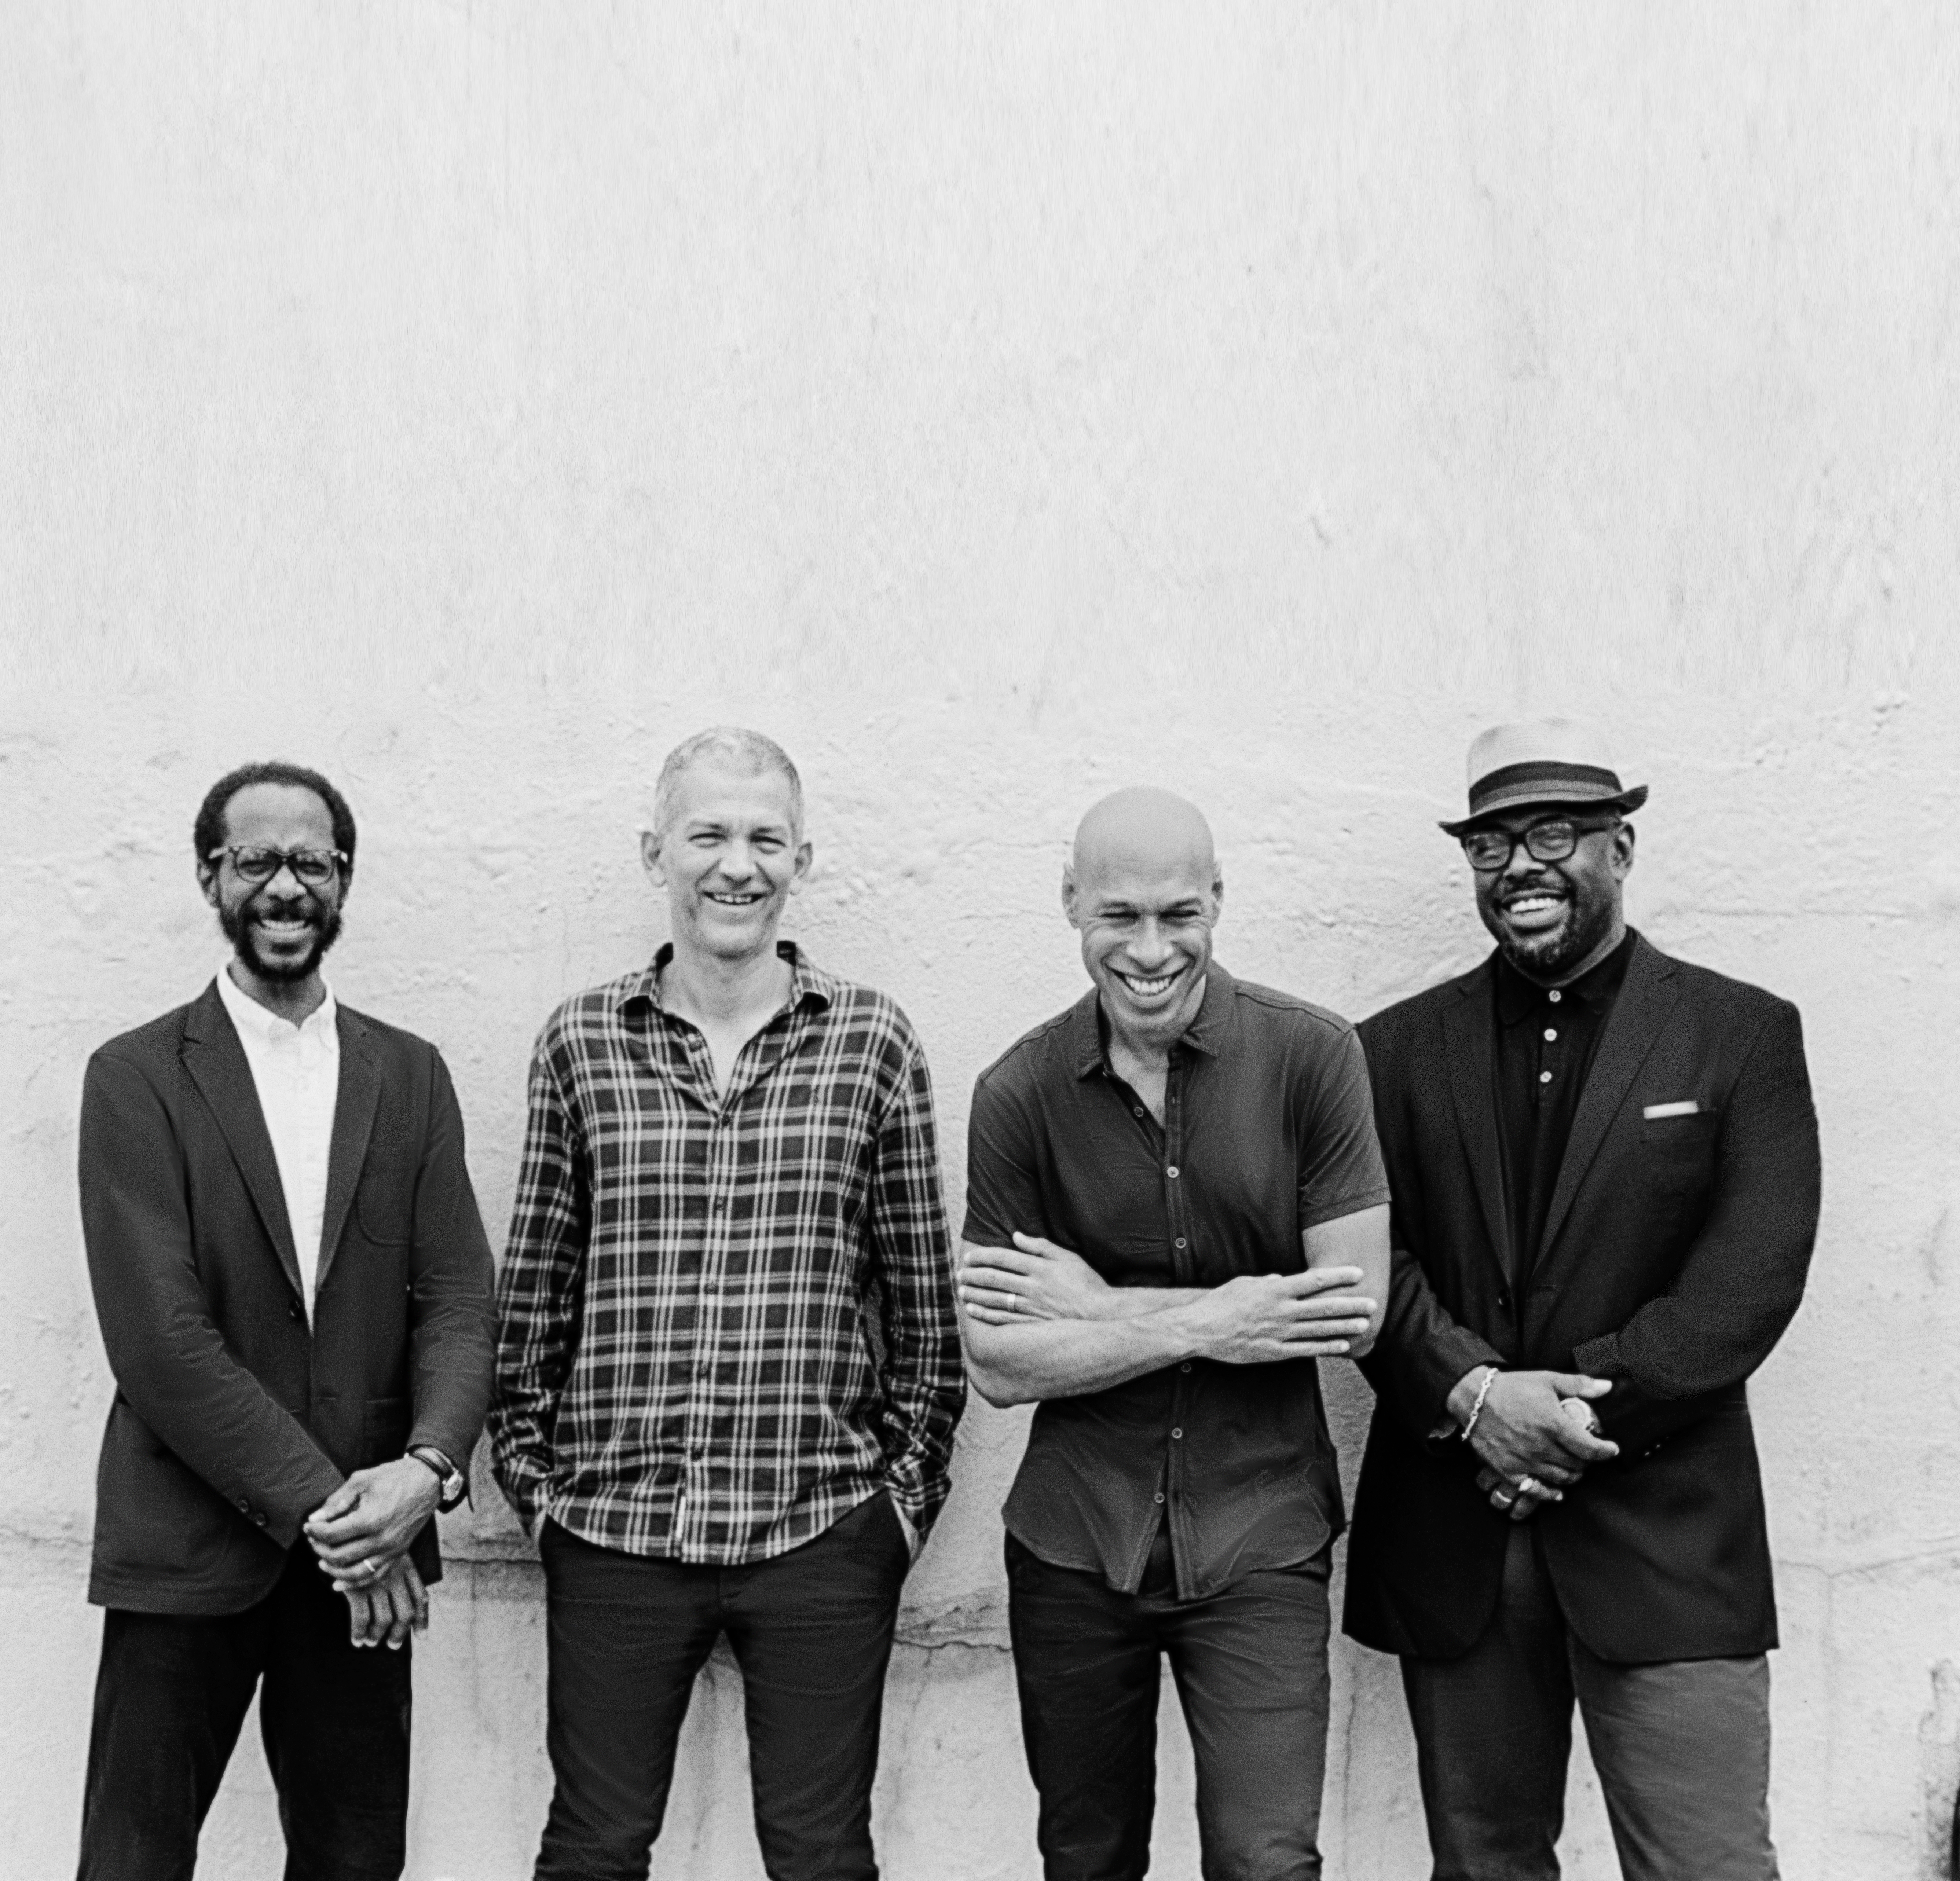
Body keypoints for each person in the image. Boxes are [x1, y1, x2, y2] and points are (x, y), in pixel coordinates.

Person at [1345, 717, 1822, 1881]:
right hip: (1458, 1541)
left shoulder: (1741, 1033)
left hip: (1667, 1541)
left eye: (1554, 833)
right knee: (1483, 1869)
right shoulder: (1384, 1052)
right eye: (1491, 843)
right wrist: (1474, 1398)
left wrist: (1554, 1418)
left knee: (1709, 1866)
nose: (1520, 865)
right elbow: (1361, 1261)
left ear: (1620, 845)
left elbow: (1747, 1278)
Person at [491, 726, 964, 1881]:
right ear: (655, 850)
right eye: (708, 834)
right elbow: (535, 1293)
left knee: (819, 1854)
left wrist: (895, 1511)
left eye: (765, 838)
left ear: (803, 857)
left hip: (819, 1528)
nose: (736, 865)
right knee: (593, 1848)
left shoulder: (870, 1041)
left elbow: (923, 1307)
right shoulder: (582, 1042)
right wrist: (539, 1493)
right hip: (615, 1528)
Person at [957, 786, 1391, 1881]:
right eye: (1119, 914)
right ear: (1071, 902)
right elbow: (998, 1363)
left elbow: (1351, 1310)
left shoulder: (1312, 1056)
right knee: (1087, 1858)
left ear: (1217, 900)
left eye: (1178, 913)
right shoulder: (1017, 1090)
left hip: (1262, 1534)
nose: (1150, 949)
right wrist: (1222, 1318)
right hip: (1073, 1540)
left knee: (1267, 1863)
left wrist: (1094, 1307)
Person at [76, 760, 497, 1880]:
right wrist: (345, 1522)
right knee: (130, 1862)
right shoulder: (135, 1075)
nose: (284, 884)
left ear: (342, 878)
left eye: (310, 860)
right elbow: (161, 1343)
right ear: (210, 876)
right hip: (194, 1544)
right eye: (255, 858)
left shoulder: (410, 1074)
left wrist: (427, 1470)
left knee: (355, 1862)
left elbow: (459, 1298)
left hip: (369, 1548)